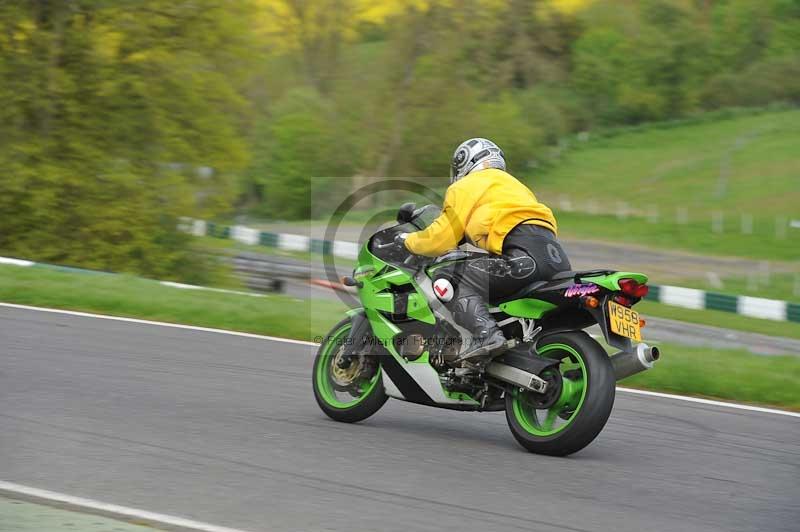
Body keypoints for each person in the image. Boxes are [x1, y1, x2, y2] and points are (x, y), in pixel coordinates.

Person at [397, 138, 572, 360]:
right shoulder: (515, 187)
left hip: (523, 261)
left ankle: (486, 335)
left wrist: (408, 241)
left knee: (450, 275)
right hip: (556, 262)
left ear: (464, 163)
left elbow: (440, 238)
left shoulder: (467, 185)